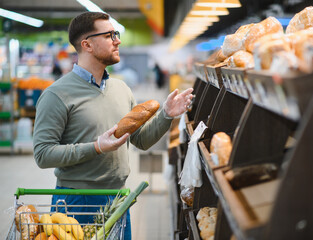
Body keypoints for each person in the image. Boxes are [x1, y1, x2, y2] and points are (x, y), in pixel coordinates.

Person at [33, 12, 193, 240]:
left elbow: (141, 141)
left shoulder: (121, 89)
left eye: (115, 34)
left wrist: (166, 115)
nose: (117, 40)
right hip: (77, 201)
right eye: (109, 35)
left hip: (117, 197)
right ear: (87, 44)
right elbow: (43, 154)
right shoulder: (57, 95)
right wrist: (96, 147)